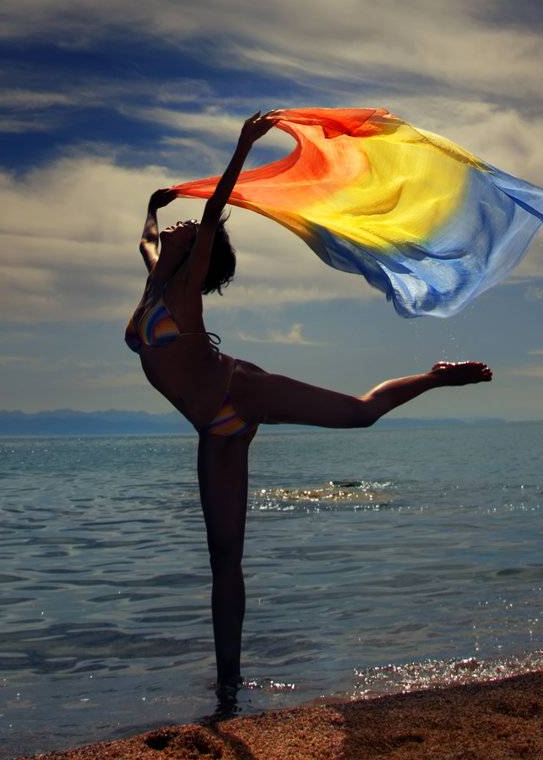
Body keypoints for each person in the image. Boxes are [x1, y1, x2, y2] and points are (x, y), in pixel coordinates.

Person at [124, 110, 493, 701]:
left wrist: (244, 146)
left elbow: (216, 209)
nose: (182, 224)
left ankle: (436, 378)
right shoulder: (156, 280)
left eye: (189, 227)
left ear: (199, 251)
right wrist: (153, 202)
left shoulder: (185, 285)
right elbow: (145, 236)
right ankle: (228, 686)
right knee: (223, 560)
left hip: (237, 390)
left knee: (358, 413)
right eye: (180, 225)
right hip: (213, 430)